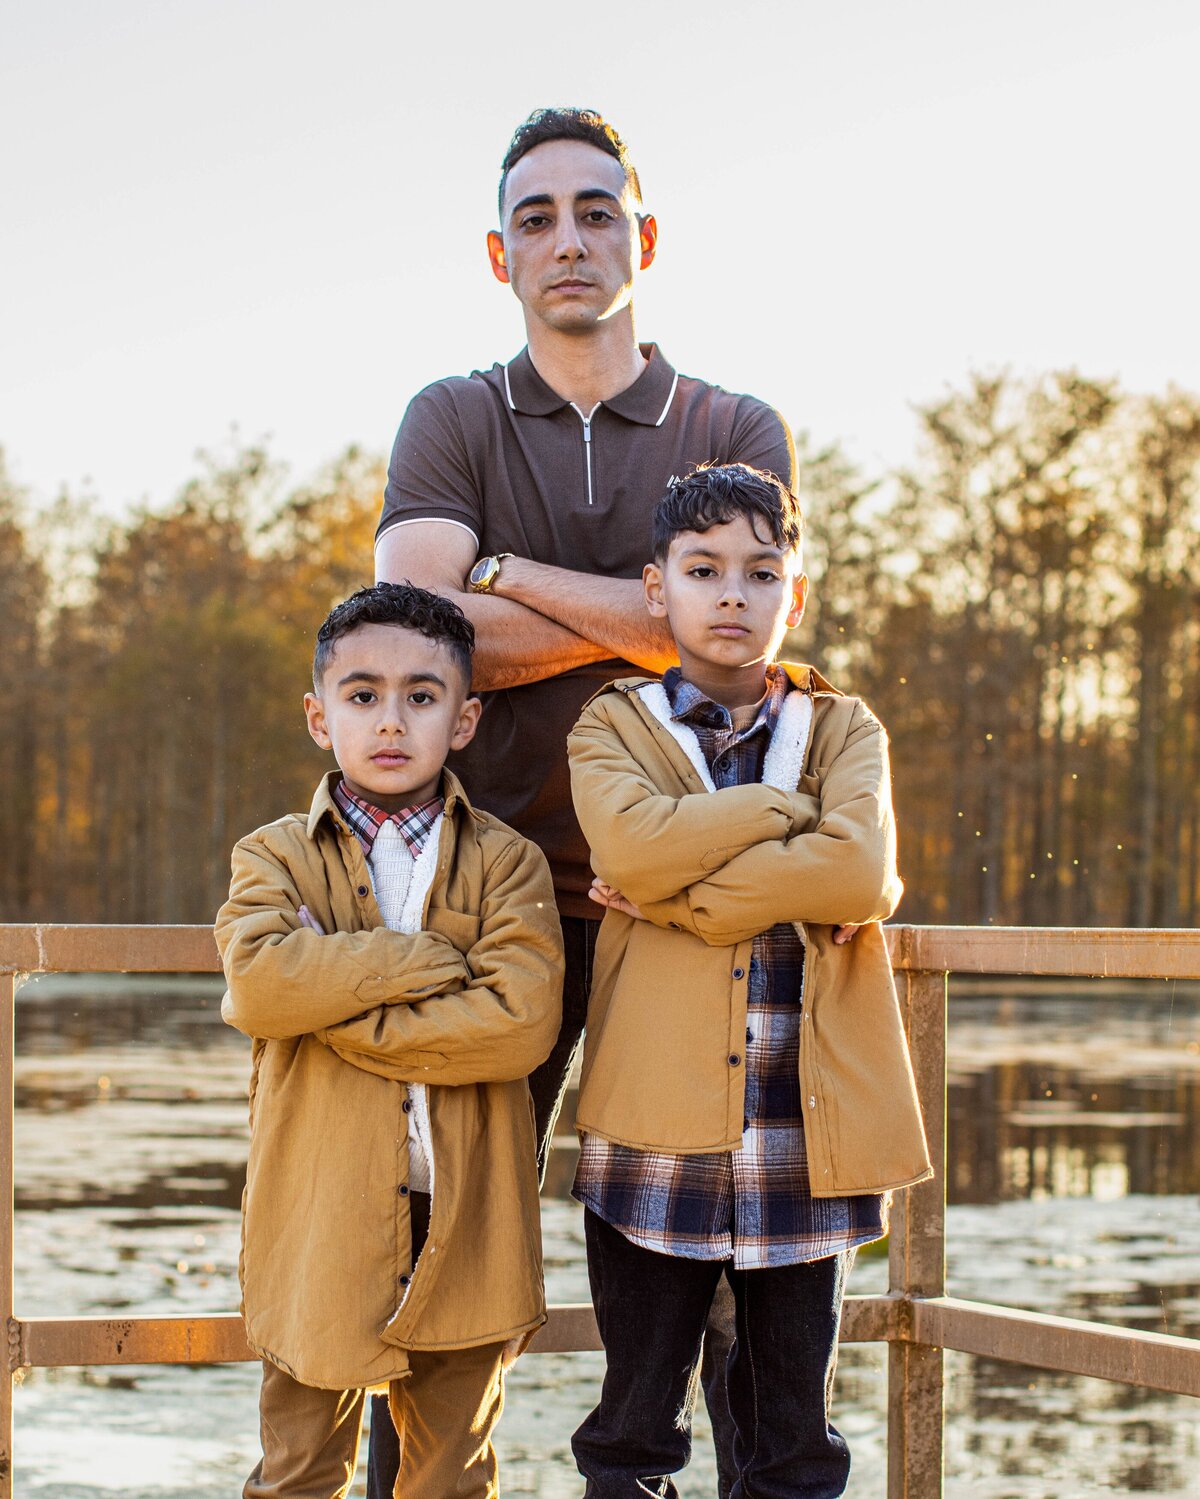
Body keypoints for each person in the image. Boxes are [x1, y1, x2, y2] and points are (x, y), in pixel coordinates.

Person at [372, 104, 794, 1497]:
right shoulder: (453, 415)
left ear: (645, 236)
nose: (569, 238)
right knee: (445, 1240)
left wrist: (503, 572)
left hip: (693, 905)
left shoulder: (735, 423)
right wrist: (643, 610)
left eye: (596, 210)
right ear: (501, 253)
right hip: (492, 903)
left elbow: (729, 636)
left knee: (718, 1258)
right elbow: (417, 647)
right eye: (539, 217)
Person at [566, 464, 932, 1498]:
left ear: (795, 595)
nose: (733, 593)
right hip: (653, 1142)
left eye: (761, 572)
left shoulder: (845, 729)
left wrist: (686, 897)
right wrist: (785, 819)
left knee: (793, 1440)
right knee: (633, 1434)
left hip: (806, 1140)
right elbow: (630, 852)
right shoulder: (612, 723)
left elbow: (861, 874)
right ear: (658, 588)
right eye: (704, 568)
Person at [215, 582, 563, 1499]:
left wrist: (327, 996)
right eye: (362, 694)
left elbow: (520, 1024)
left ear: (464, 719)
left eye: (422, 695)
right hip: (318, 1212)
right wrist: (429, 960)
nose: (390, 719)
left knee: (451, 1477)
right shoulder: (274, 855)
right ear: (319, 717)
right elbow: (258, 984)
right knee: (298, 1473)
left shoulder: (507, 862)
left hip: (464, 1217)